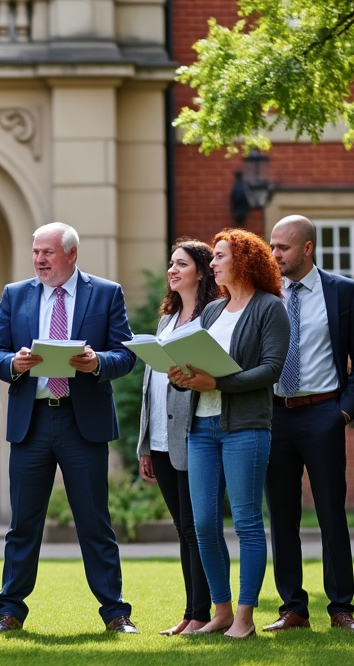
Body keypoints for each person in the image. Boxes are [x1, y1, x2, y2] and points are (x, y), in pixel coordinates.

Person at [0, 222, 139, 634]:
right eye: (36, 252)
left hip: (80, 421)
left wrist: (98, 363)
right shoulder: (16, 295)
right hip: (31, 423)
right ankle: (10, 612)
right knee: (23, 525)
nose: (39, 260)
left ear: (71, 254)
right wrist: (13, 365)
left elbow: (125, 355)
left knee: (94, 522)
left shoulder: (105, 293)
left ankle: (116, 614)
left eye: (47, 252)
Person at [169, 229, 289, 638]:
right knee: (203, 523)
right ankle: (219, 611)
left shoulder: (270, 308)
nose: (213, 264)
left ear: (244, 261)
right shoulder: (212, 312)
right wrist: (180, 376)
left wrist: (216, 383)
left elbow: (271, 370)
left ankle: (244, 616)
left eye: (220, 257)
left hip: (245, 429)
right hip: (201, 428)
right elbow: (198, 366)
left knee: (247, 524)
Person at [262, 216, 354, 634]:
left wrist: (345, 412)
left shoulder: (343, 291)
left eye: (283, 248)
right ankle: (292, 608)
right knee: (282, 516)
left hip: (324, 414)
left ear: (307, 249)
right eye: (272, 247)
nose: (275, 255)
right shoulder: (265, 294)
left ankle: (341, 608)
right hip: (275, 415)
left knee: (331, 513)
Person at [137, 239, 219, 635]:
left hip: (194, 434)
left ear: (201, 272)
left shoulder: (211, 317)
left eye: (181, 264)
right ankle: (192, 612)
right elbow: (150, 386)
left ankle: (202, 613)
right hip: (161, 436)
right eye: (171, 264)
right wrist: (145, 444)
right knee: (182, 528)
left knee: (196, 526)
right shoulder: (167, 320)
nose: (172, 270)